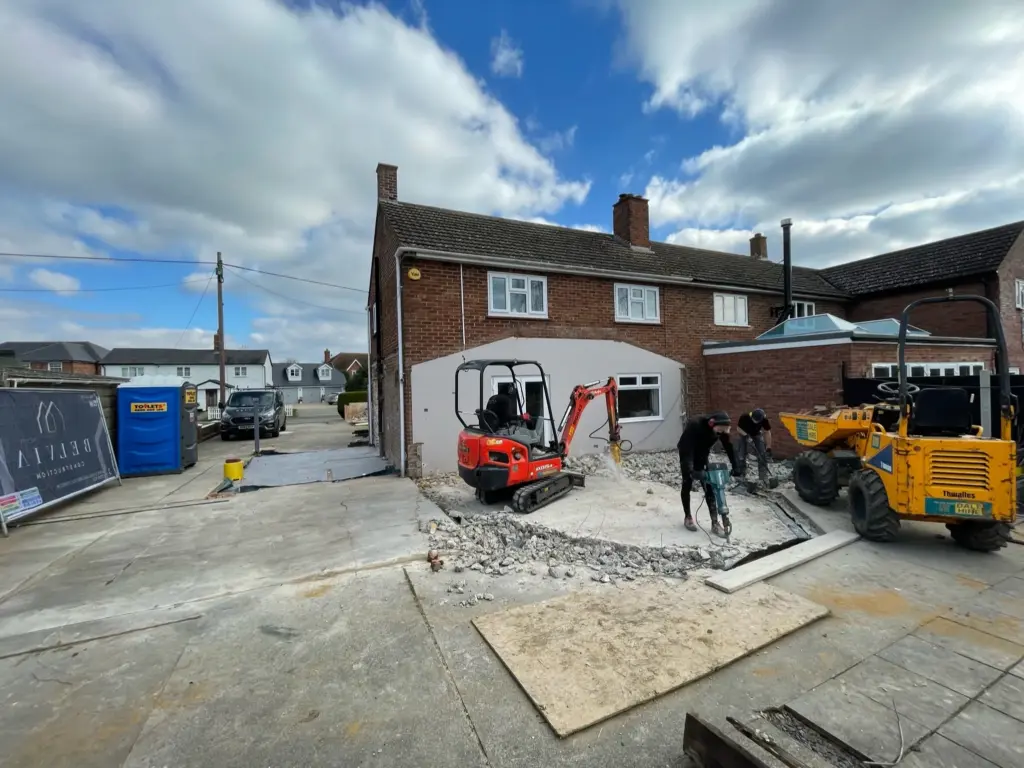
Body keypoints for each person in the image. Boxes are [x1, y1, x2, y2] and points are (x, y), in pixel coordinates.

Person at [677, 411, 740, 536]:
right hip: (687, 453)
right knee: (687, 483)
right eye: (719, 432)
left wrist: (736, 465)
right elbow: (686, 449)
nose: (720, 434)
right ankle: (688, 516)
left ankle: (715, 523)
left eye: (722, 432)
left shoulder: (720, 429)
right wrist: (691, 470)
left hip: (702, 454)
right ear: (712, 424)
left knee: (710, 487)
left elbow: (728, 446)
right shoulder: (695, 425)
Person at [736, 408, 773, 485]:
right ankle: (741, 473)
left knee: (762, 453)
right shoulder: (745, 416)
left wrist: (768, 447)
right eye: (754, 420)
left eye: (757, 421)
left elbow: (767, 432)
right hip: (744, 433)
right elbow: (738, 428)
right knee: (741, 453)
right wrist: (747, 436)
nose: (755, 422)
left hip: (756, 433)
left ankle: (763, 477)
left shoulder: (764, 419)